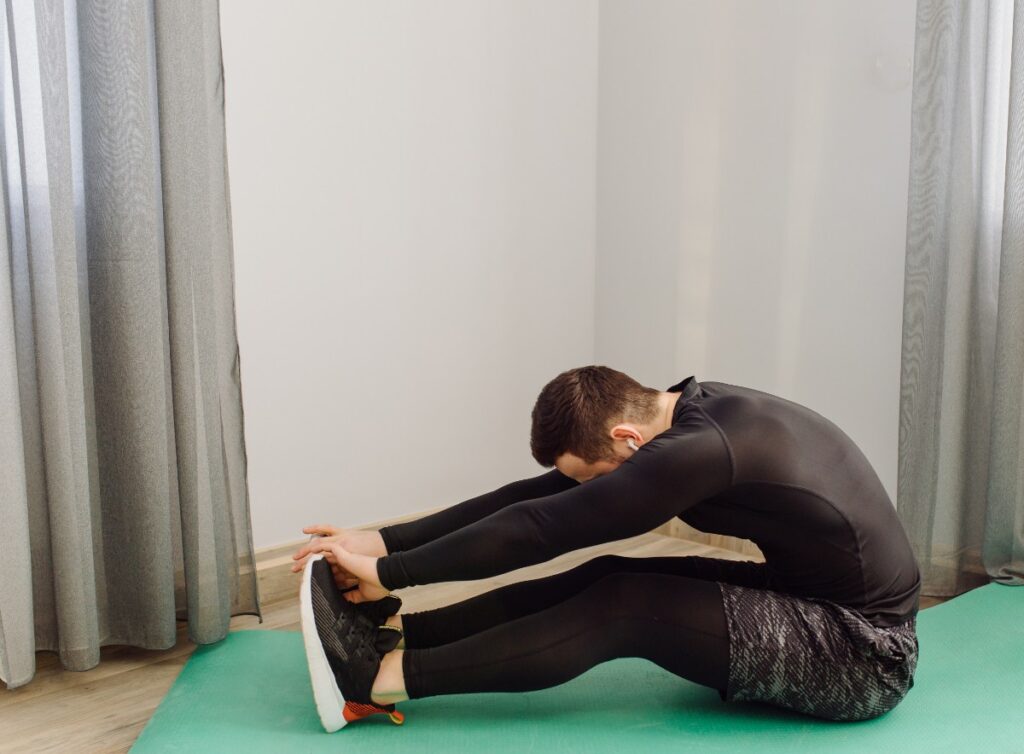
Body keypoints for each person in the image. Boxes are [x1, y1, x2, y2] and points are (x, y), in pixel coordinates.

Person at [291, 366, 921, 725]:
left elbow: (541, 530)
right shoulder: (684, 413)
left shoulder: (699, 449)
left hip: (864, 654)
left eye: (593, 478)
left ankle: (380, 681)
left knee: (624, 608)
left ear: (625, 438)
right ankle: (403, 634)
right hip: (806, 598)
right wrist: (381, 541)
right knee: (610, 571)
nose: (591, 490)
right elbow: (531, 500)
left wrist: (389, 571)